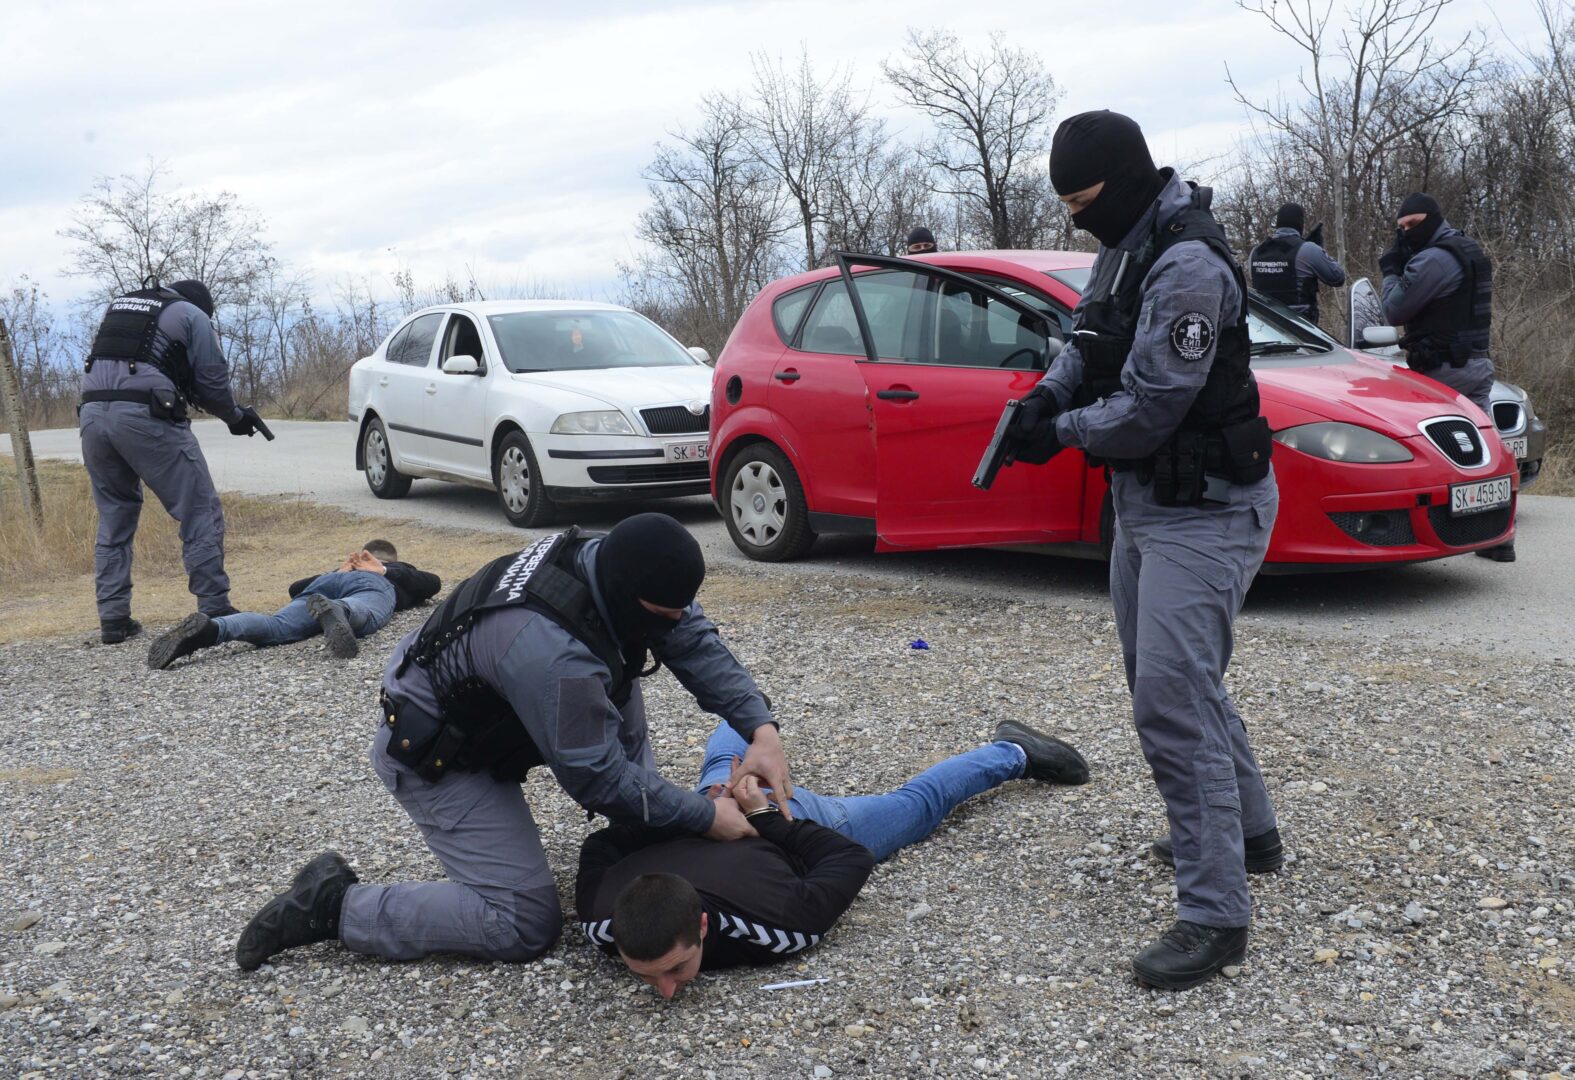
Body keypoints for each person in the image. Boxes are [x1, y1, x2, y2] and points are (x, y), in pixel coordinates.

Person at [234, 513, 791, 972]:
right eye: (661, 616)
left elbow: (689, 637)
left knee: (644, 800)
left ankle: (649, 830)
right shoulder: (555, 653)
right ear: (628, 596)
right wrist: (704, 816)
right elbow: (597, 777)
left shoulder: (618, 560)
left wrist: (760, 730)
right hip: (438, 751)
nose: (674, 623)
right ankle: (334, 905)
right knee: (521, 923)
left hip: (505, 705)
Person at [1007, 110, 1282, 991]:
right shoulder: (1126, 247)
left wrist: (1060, 434)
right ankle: (1249, 835)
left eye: (1083, 201)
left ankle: (1215, 913)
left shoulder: (1188, 264)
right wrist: (1042, 398)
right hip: (1147, 507)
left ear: (1124, 181)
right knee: (1174, 683)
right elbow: (1088, 339)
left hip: (1207, 511)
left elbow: (1155, 404)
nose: (1077, 219)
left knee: (1171, 704)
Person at [576, 718, 1089, 998]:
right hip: (714, 811)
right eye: (645, 975)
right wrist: (700, 813)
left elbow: (847, 855)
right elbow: (601, 845)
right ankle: (749, 725)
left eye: (675, 969)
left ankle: (1013, 752)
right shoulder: (602, 920)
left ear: (704, 926)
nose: (665, 991)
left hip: (786, 820)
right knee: (724, 769)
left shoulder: (777, 925)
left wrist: (761, 818)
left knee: (916, 808)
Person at [78, 278, 271, 645]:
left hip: (91, 416)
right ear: (202, 307)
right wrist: (235, 417)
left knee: (115, 514)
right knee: (200, 509)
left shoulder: (123, 306)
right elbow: (212, 382)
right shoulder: (192, 315)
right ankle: (215, 608)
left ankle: (113, 618)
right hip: (146, 416)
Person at [1378, 192, 1513, 562]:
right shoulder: (1467, 248)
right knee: (1489, 453)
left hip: (1442, 372)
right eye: (1402, 227)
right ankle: (1498, 537)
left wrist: (1391, 272)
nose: (1407, 233)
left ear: (1433, 218)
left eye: (1413, 224)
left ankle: (1421, 536)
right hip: (1476, 364)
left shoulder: (1433, 260)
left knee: (1430, 455)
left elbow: (1393, 310)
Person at [147, 539, 440, 668]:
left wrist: (337, 573)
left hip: (325, 585)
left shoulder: (377, 570)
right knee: (365, 609)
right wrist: (382, 571)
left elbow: (296, 590)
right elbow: (432, 583)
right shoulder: (396, 571)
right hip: (362, 587)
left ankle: (213, 629)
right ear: (392, 558)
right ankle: (340, 610)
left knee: (276, 625)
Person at [1248, 203, 1345, 323]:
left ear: (1278, 224)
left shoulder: (1256, 253)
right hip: (1300, 328)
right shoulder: (1308, 250)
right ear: (1300, 224)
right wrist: (1318, 250)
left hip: (1266, 327)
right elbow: (1337, 277)